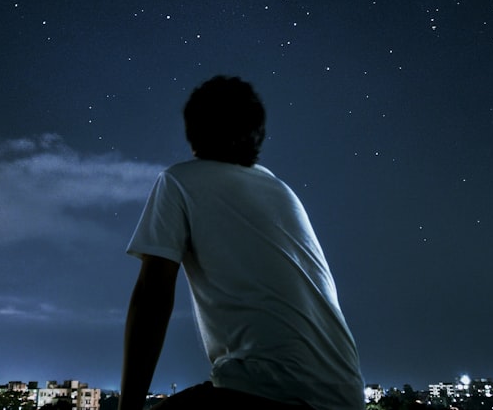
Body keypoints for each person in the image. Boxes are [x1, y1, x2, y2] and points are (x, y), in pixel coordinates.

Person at [119, 76, 364, 410]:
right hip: (345, 395)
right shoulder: (281, 190)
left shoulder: (180, 180)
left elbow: (152, 297)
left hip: (266, 391)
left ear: (193, 134)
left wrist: (128, 407)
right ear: (257, 135)